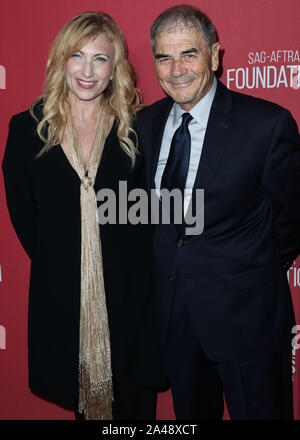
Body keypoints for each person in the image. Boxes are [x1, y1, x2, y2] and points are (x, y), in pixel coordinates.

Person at [136, 4, 300, 420]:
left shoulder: (267, 124)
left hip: (249, 322)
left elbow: (290, 222)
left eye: (188, 53)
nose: (176, 69)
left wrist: (246, 272)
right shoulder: (142, 125)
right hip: (175, 323)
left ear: (214, 54)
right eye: (164, 57)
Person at [2, 11, 166, 420]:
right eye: (77, 56)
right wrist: (61, 256)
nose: (87, 71)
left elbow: (150, 212)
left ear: (115, 70)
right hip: (65, 296)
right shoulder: (27, 129)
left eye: (100, 58)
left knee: (134, 406)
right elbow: (22, 212)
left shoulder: (138, 129)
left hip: (132, 297)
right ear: (61, 61)